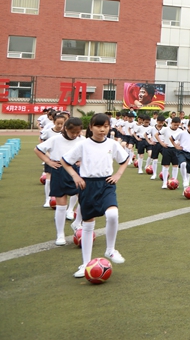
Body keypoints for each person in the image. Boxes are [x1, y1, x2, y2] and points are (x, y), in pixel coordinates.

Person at [61, 113, 129, 278]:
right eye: (98, 126)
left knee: (113, 214)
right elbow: (65, 161)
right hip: (87, 185)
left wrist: (118, 174)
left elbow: (125, 159)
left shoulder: (112, 144)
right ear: (91, 127)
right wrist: (76, 176)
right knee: (88, 225)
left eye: (106, 126)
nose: (102, 129)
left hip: (106, 184)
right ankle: (85, 264)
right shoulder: (83, 145)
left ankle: (110, 250)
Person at [34, 116, 84, 244]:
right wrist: (48, 161)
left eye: (78, 132)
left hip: (76, 172)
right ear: (65, 128)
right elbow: (38, 149)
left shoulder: (82, 140)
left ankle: (77, 223)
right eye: (73, 132)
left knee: (86, 199)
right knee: (61, 205)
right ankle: (60, 235)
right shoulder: (56, 139)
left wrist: (81, 161)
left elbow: (88, 154)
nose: (75, 135)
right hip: (59, 171)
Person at [38, 111, 67, 208]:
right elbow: (41, 140)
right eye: (58, 123)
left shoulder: (65, 133)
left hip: (63, 160)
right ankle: (47, 199)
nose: (59, 126)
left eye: (62, 124)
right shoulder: (48, 132)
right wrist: (47, 154)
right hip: (51, 159)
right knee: (49, 180)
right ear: (54, 122)